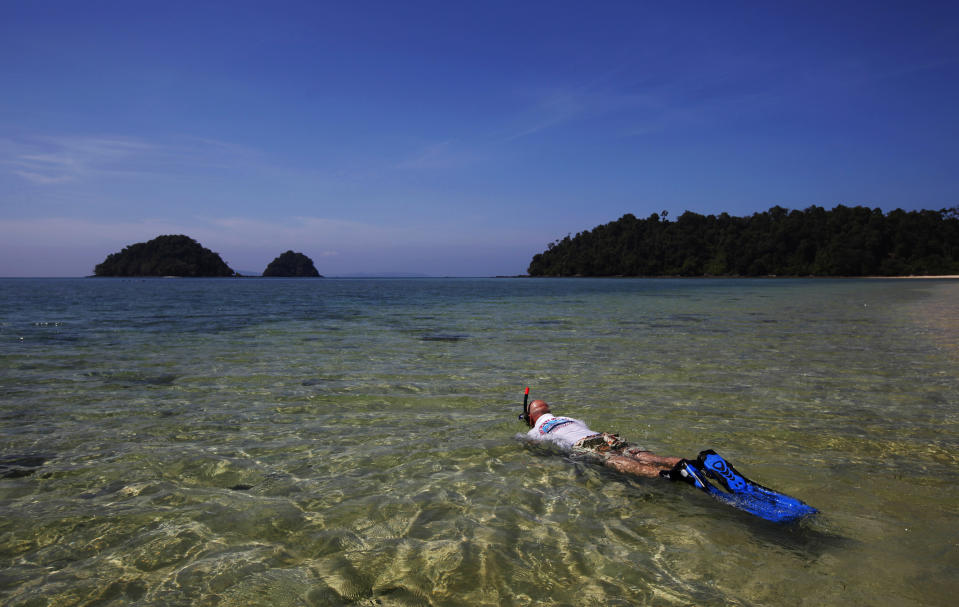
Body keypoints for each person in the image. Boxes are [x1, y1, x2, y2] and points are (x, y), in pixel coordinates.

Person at [523, 399, 682, 479]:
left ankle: (666, 475)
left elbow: (532, 444)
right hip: (602, 436)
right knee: (639, 455)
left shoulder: (536, 430)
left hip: (582, 444)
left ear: (531, 417)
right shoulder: (567, 418)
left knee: (613, 459)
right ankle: (683, 464)